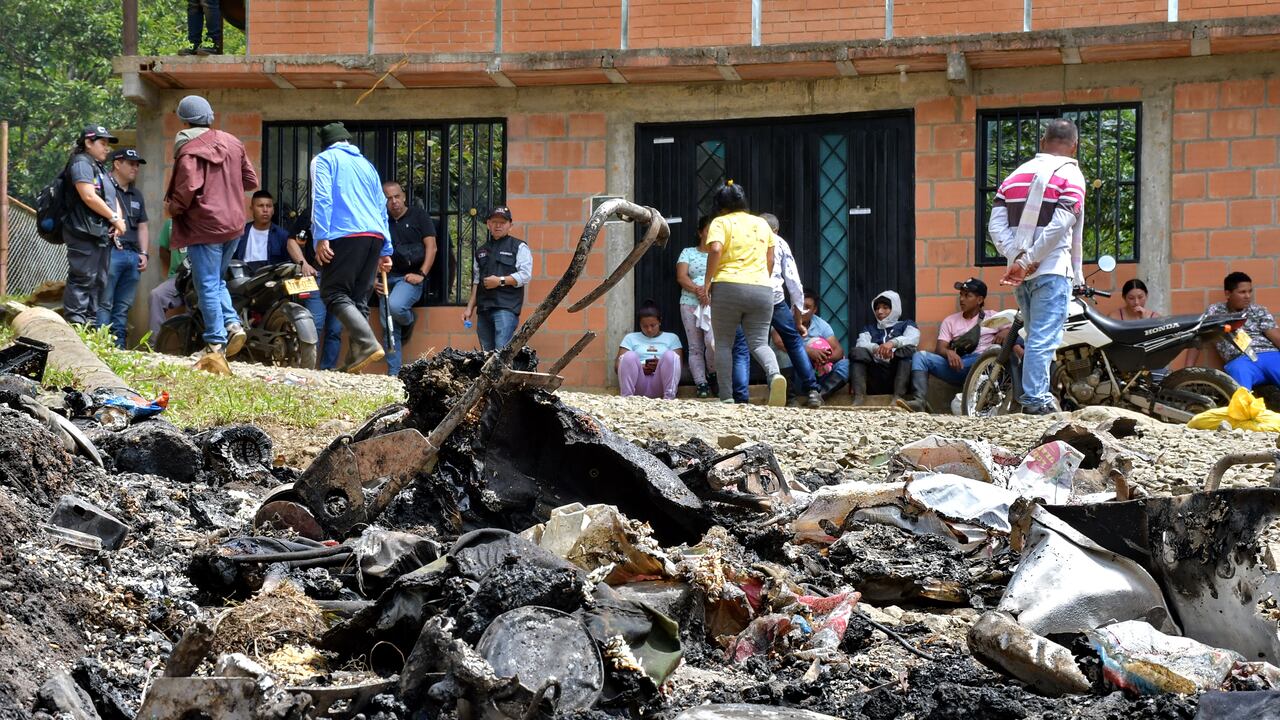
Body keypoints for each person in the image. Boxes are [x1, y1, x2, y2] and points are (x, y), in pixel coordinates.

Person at [989, 118, 1087, 415]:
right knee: (1043, 339)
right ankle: (1035, 401)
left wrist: (1018, 258)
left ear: (1043, 143)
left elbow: (996, 225)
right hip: (1052, 270)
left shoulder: (1014, 177)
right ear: (1074, 146)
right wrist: (1029, 260)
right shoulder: (1072, 176)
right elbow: (1061, 225)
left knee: (1035, 337)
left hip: (1021, 275)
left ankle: (1034, 397)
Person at [163, 95, 255, 368]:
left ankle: (215, 343)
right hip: (234, 225)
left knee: (205, 284)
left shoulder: (188, 148)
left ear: (184, 119)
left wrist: (174, 208)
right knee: (216, 282)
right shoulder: (233, 142)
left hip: (204, 226)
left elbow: (187, 187)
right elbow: (250, 180)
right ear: (210, 117)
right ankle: (232, 325)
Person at [310, 122, 393, 373]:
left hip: (344, 233)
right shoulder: (368, 165)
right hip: (374, 236)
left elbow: (322, 198)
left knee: (333, 293)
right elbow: (382, 207)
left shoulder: (323, 160)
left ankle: (367, 343)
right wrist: (386, 249)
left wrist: (321, 237)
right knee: (358, 298)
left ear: (325, 143)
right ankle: (355, 360)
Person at [701, 182, 786, 407]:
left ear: (720, 206)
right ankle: (775, 375)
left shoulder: (720, 222)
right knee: (759, 342)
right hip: (762, 288)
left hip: (728, 287)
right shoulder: (762, 224)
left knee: (724, 344)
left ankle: (727, 396)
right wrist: (761, 279)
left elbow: (716, 249)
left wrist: (707, 282)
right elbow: (771, 258)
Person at [62, 124, 124, 328]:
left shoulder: (98, 167)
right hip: (82, 231)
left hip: (98, 233)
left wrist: (116, 219)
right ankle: (76, 325)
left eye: (108, 144)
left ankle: (89, 328)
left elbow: (110, 196)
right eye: (103, 143)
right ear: (88, 142)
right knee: (83, 278)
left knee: (99, 281)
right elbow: (88, 195)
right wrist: (114, 217)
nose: (107, 148)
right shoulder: (81, 163)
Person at [903, 278, 998, 412]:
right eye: (961, 295)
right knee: (920, 357)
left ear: (980, 300)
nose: (962, 299)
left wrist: (1005, 331)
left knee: (995, 350)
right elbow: (940, 347)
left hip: (983, 366)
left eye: (967, 295)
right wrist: (949, 353)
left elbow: (1016, 329)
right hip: (959, 365)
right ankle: (919, 401)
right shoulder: (950, 321)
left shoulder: (993, 317)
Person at [759, 213, 822, 409]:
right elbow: (794, 282)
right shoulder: (780, 243)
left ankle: (739, 395)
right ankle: (812, 391)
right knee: (794, 341)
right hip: (776, 298)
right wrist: (798, 320)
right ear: (776, 230)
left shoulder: (749, 240)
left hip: (752, 297)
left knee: (745, 346)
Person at [380, 180, 438, 376]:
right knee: (388, 325)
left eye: (397, 196)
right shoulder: (380, 219)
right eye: (388, 198)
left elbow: (432, 247)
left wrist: (421, 274)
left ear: (403, 196)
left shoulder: (418, 215)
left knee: (395, 308)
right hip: (386, 278)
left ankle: (408, 320)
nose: (393, 201)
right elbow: (371, 250)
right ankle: (393, 375)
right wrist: (373, 280)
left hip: (409, 277)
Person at [1186, 272, 1280, 390]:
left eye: (1250, 291)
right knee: (1242, 394)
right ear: (1228, 294)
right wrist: (1187, 371)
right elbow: (1197, 337)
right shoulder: (1215, 311)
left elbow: (1276, 337)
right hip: (1239, 360)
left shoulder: (1258, 310)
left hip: (1269, 354)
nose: (1248, 296)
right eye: (1242, 292)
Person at [97, 148, 149, 348]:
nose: (135, 168)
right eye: (131, 163)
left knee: (123, 307)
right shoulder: (103, 188)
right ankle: (101, 346)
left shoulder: (137, 194)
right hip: (109, 252)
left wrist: (144, 253)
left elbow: (143, 225)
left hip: (132, 254)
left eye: (137, 164)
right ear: (117, 164)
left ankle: (119, 348)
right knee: (104, 303)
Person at [464, 206, 532, 352]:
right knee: (486, 355)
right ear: (488, 224)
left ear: (510, 225)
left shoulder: (519, 247)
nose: (498, 225)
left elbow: (525, 275)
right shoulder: (481, 250)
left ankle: (503, 375)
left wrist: (500, 281)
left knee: (501, 354)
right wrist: (469, 308)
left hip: (506, 308)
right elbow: (477, 281)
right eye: (494, 221)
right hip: (483, 309)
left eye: (502, 222)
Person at [288, 207, 343, 370]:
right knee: (313, 326)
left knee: (335, 330)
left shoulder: (348, 208)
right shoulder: (313, 210)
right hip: (317, 277)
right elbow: (292, 241)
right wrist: (303, 264)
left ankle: (328, 372)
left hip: (340, 280)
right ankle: (307, 370)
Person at [851, 290, 919, 405]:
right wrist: (875, 348)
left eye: (885, 307)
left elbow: (913, 338)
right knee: (858, 352)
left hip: (896, 372)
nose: (880, 311)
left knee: (908, 351)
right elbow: (861, 343)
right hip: (875, 375)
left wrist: (892, 344)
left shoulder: (907, 324)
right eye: (877, 308)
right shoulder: (869, 329)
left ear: (895, 309)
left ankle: (898, 398)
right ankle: (859, 397)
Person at [676, 216, 716, 397]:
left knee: (711, 342)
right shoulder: (688, 252)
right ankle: (701, 383)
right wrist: (699, 291)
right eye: (708, 231)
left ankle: (713, 374)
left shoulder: (720, 253)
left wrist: (709, 292)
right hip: (690, 303)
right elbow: (682, 276)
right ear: (700, 232)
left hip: (713, 305)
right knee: (695, 346)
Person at [617, 303, 683, 399]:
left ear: (660, 322)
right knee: (629, 356)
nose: (649, 329)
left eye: (653, 325)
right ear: (640, 324)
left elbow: (677, 366)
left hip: (660, 383)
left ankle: (669, 398)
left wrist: (660, 365)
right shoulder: (630, 338)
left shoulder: (672, 338)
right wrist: (639, 367)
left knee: (670, 355)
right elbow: (618, 366)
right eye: (645, 326)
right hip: (638, 383)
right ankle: (627, 398)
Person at [797, 290, 849, 399]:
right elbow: (779, 342)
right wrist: (808, 352)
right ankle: (796, 395)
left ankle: (821, 395)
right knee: (790, 356)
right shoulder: (785, 319)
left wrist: (825, 359)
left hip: (821, 371)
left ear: (814, 310)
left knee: (846, 364)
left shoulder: (821, 325)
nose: (802, 310)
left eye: (807, 307)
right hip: (798, 374)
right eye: (799, 305)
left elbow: (838, 351)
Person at [233, 191, 291, 274]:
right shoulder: (241, 233)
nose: (265, 210)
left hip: (271, 280)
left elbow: (287, 265)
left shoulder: (282, 235)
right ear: (252, 209)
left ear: (273, 210)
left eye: (269, 206)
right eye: (260, 206)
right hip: (243, 279)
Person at [148, 219, 185, 339]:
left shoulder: (204, 220)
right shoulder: (170, 224)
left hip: (200, 278)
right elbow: (163, 250)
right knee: (156, 295)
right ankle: (155, 344)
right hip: (178, 278)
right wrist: (177, 265)